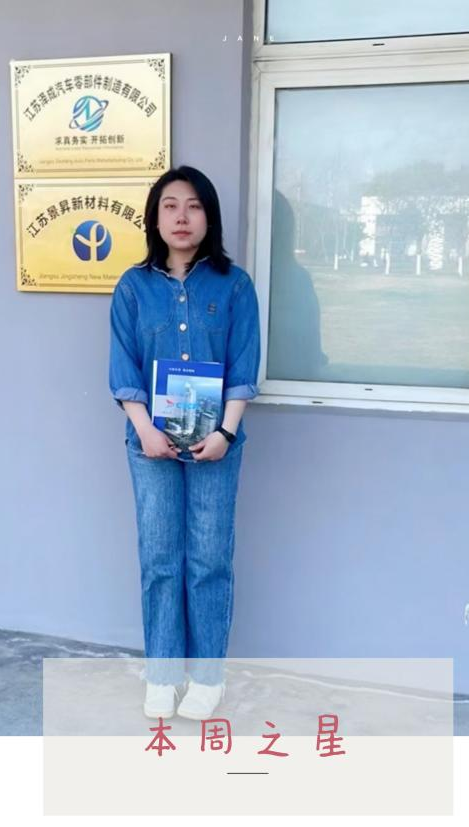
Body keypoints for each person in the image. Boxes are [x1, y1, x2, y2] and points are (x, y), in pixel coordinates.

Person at [109, 165, 260, 721]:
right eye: (170, 205)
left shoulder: (234, 285)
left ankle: (208, 677)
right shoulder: (133, 287)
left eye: (194, 206)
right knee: (160, 560)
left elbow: (244, 366)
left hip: (216, 446)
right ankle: (163, 673)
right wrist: (146, 430)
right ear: (154, 217)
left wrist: (225, 432)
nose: (181, 216)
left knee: (209, 560)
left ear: (208, 217)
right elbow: (123, 368)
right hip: (150, 445)